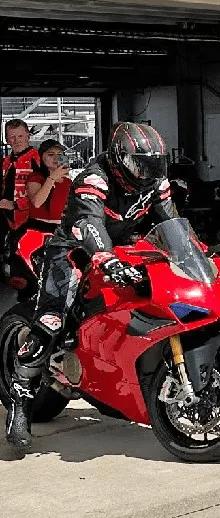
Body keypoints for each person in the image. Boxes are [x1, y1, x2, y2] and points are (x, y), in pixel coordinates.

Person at [6, 122, 176, 449]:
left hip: (123, 248)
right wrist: (106, 258)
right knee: (51, 321)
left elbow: (170, 222)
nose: (147, 172)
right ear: (119, 159)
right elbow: (89, 222)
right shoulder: (94, 177)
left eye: (153, 164)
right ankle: (20, 404)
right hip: (73, 250)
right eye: (141, 164)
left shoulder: (156, 181)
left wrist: (193, 252)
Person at [1, 119, 42, 242]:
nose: (17, 140)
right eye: (12, 137)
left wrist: (14, 205)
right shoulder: (6, 162)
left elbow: (45, 194)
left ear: (28, 136)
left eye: (20, 136)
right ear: (7, 140)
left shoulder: (38, 160)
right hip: (7, 221)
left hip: (30, 222)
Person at [26, 139, 74, 231]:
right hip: (38, 227)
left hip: (61, 229)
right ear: (41, 157)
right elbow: (37, 202)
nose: (56, 158)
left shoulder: (67, 182)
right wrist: (52, 178)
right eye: (50, 154)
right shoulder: (35, 177)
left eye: (59, 155)